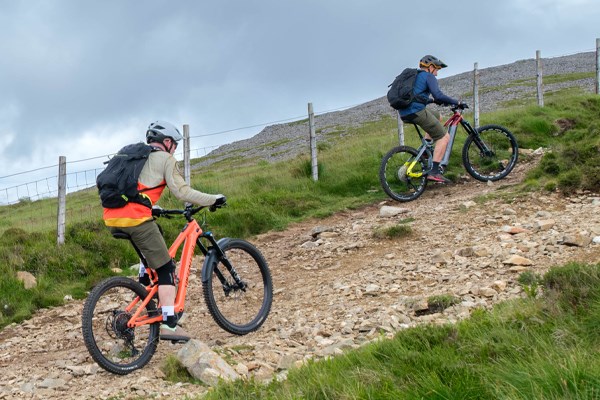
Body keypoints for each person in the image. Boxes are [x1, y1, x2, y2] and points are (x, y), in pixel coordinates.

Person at [102, 120, 226, 342]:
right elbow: (181, 191)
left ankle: (145, 279)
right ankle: (170, 325)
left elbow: (135, 190)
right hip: (136, 219)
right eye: (175, 144)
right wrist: (212, 199)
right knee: (167, 268)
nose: (175, 148)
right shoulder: (165, 159)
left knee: (153, 234)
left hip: (113, 218)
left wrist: (152, 206)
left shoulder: (137, 158)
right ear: (167, 142)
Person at [399, 55, 463, 184]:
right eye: (437, 69)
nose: (437, 73)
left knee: (437, 116)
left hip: (405, 112)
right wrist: (457, 102)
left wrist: (433, 100)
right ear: (431, 67)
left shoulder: (415, 76)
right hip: (417, 111)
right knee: (444, 138)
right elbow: (438, 94)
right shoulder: (429, 76)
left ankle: (426, 148)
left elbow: (417, 96)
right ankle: (434, 172)